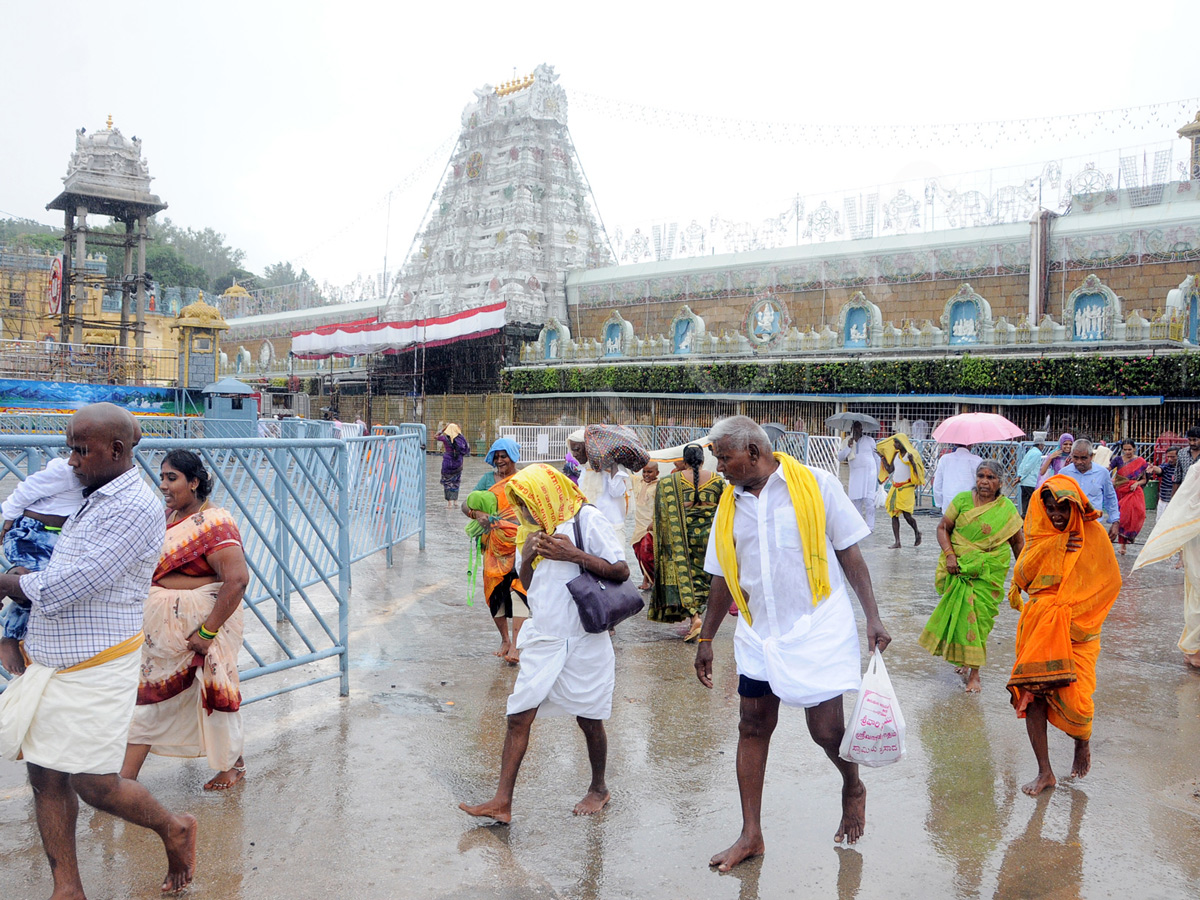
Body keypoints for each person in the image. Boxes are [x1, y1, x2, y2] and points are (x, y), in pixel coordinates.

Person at [0, 403, 197, 895]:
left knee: (95, 785)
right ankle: (67, 887)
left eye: (80, 450)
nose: (71, 460)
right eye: (70, 449)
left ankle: (174, 827)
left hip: (98, 665)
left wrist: (11, 583)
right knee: (45, 775)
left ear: (117, 450)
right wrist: (25, 582)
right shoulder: (92, 491)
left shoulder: (134, 507)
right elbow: (55, 565)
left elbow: (75, 583)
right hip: (50, 662)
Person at [693, 417, 890, 869]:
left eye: (725, 457)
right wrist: (707, 637)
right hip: (759, 633)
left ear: (755, 453)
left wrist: (873, 616)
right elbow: (724, 574)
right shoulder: (729, 505)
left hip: (816, 628)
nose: (718, 466)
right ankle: (751, 834)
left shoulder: (816, 484)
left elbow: (850, 552)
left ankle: (852, 784)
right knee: (752, 726)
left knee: (825, 732)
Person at [459, 464, 628, 823]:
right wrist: (526, 556)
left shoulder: (588, 519)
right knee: (518, 716)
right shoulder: (537, 528)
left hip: (584, 639)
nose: (526, 512)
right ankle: (502, 803)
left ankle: (599, 788)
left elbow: (620, 570)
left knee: (590, 719)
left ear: (546, 494)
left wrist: (574, 555)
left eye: (528, 503)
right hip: (545, 637)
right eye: (522, 505)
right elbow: (529, 583)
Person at [122, 450, 250, 791]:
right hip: (162, 637)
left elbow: (235, 580)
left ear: (194, 482)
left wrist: (207, 632)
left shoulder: (215, 522)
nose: (163, 484)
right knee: (151, 697)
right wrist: (180, 584)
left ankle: (231, 765)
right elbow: (152, 572)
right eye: (162, 477)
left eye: (172, 478)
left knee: (212, 690)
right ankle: (125, 779)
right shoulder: (165, 519)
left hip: (202, 630)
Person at [1006, 475, 1121, 795]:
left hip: (1079, 632)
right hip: (1041, 626)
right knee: (1032, 694)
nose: (1056, 514)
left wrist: (1077, 615)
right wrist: (1054, 545)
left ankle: (1081, 741)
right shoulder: (1040, 534)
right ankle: (1045, 772)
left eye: (1063, 508)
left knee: (1079, 700)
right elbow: (1022, 577)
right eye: (1050, 508)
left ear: (1077, 505)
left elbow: (1109, 585)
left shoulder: (1094, 536)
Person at [918, 460, 1025, 693]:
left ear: (1000, 482)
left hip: (989, 572)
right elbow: (942, 527)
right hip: (959, 568)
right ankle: (968, 664)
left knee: (978, 620)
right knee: (962, 614)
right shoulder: (962, 500)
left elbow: (1017, 542)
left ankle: (974, 673)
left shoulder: (1006, 510)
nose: (984, 481)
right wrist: (949, 555)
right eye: (980, 476)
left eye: (990, 477)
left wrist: (1025, 573)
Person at [0, 454, 85, 666]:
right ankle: (10, 636)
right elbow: (26, 489)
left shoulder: (102, 476)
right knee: (36, 586)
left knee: (51, 588)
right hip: (30, 533)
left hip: (57, 537)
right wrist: (8, 520)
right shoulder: (66, 471)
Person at [462, 438, 528, 664]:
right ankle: (505, 640)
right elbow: (466, 504)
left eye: (504, 456)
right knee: (495, 593)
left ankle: (517, 646)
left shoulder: (523, 480)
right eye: (496, 456)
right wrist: (477, 515)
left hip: (519, 544)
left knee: (520, 591)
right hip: (493, 547)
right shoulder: (487, 480)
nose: (500, 461)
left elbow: (535, 507)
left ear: (513, 456)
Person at [649, 444, 724, 641]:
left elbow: (661, 514)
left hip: (681, 539)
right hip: (709, 538)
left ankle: (695, 618)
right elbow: (727, 510)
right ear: (703, 460)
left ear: (684, 461)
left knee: (686, 576)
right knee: (705, 576)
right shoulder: (718, 481)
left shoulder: (670, 482)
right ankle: (700, 619)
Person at [568, 429, 631, 547]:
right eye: (572, 450)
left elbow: (617, 492)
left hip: (612, 528)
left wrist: (613, 465)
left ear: (589, 448)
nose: (575, 454)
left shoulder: (613, 468)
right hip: (590, 527)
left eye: (577, 449)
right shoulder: (585, 470)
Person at [1058, 439, 1120, 541]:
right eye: (1075, 458)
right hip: (1070, 528)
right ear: (1071, 456)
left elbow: (1110, 498)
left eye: (1083, 458)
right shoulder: (1063, 474)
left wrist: (1115, 522)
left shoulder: (1102, 473)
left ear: (1091, 456)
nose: (1079, 462)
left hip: (1094, 526)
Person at [879, 433, 924, 548]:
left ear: (903, 443)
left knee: (907, 516)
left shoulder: (911, 454)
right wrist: (882, 458)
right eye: (894, 442)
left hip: (906, 489)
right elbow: (890, 470)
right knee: (894, 515)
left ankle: (917, 532)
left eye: (897, 442)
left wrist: (913, 462)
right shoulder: (896, 455)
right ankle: (897, 542)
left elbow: (917, 472)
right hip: (895, 488)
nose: (895, 445)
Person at [1109, 439, 1153, 554]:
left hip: (1133, 491)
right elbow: (1106, 470)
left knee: (1134, 515)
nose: (1127, 452)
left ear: (1134, 449)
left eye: (1130, 449)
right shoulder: (1118, 460)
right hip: (1120, 490)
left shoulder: (1141, 462)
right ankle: (1122, 545)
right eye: (1125, 450)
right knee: (1122, 517)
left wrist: (1136, 483)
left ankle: (1128, 538)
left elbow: (1144, 479)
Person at [836, 421, 879, 531]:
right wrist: (849, 447)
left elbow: (877, 458)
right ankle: (859, 525)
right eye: (854, 428)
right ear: (851, 429)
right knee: (856, 501)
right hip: (856, 474)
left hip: (870, 473)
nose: (856, 431)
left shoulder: (869, 441)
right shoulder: (846, 441)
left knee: (869, 501)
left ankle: (870, 526)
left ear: (861, 429)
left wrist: (879, 475)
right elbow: (840, 457)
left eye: (858, 428)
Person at [631, 460, 659, 590]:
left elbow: (661, 505)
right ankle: (646, 581)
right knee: (639, 554)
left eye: (650, 472)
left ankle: (656, 581)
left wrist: (656, 521)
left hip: (651, 526)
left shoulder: (660, 486)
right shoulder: (638, 482)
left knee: (646, 553)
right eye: (644, 472)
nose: (646, 475)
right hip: (639, 526)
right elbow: (626, 473)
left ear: (657, 473)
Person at [932, 444, 984, 511]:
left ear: (955, 444)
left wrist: (939, 503)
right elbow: (981, 483)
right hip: (970, 503)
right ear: (971, 444)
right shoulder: (977, 460)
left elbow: (937, 484)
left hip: (948, 503)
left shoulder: (944, 459)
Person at [434, 422, 470, 507]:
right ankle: (455, 501)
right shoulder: (461, 439)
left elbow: (435, 436)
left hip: (448, 462)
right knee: (456, 480)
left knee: (447, 481)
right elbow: (466, 449)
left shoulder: (444, 438)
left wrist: (442, 430)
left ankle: (449, 502)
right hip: (458, 463)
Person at [1016, 434, 1047, 515]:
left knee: (1025, 504)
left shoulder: (1030, 452)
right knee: (1032, 503)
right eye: (1043, 445)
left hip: (1024, 482)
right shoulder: (1037, 454)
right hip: (1031, 482)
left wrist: (1020, 476)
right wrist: (1022, 476)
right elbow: (1029, 467)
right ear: (1040, 445)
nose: (1043, 447)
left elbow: (1022, 464)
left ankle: (1024, 519)